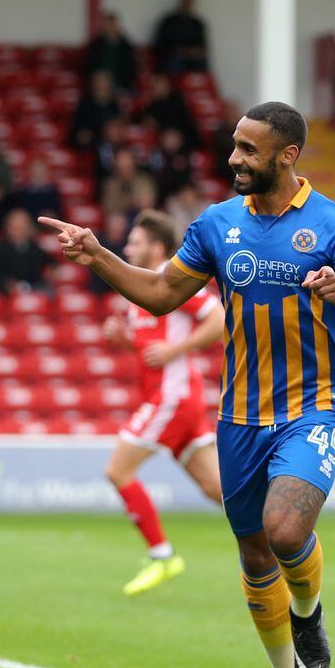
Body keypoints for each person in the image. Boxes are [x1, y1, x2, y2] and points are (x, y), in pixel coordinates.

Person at [40, 101, 335, 668]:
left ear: (287, 156)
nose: (234, 158)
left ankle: (310, 619)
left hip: (315, 405)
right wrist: (96, 255)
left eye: (249, 150)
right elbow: (159, 293)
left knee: (284, 530)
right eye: (234, 145)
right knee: (255, 554)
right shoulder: (216, 224)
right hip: (239, 414)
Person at [100, 210, 224, 595]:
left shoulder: (175, 276)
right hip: (174, 398)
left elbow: (219, 318)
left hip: (172, 398)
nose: (127, 248)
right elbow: (150, 346)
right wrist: (125, 340)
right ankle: (280, 529)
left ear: (156, 248)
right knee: (217, 489)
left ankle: (162, 555)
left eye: (135, 242)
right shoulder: (140, 289)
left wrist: (176, 349)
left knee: (118, 471)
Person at [0, 209, 53, 294]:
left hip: (34, 288)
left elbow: (49, 262)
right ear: (8, 227)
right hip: (7, 292)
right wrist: (7, 284)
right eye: (15, 227)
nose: (18, 230)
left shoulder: (34, 247)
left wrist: (51, 269)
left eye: (22, 227)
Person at [154, 0, 209, 73]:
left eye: (189, 3)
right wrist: (179, 51)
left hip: (193, 58)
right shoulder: (169, 21)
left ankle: (198, 85)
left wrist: (194, 51)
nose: (187, 5)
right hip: (173, 56)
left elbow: (203, 46)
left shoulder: (197, 23)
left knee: (202, 63)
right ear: (180, 3)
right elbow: (160, 44)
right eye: (185, 2)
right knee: (175, 62)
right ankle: (176, 85)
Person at [84, 12, 138, 92]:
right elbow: (90, 66)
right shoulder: (96, 45)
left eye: (112, 25)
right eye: (108, 25)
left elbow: (132, 68)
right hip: (100, 86)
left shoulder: (126, 46)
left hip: (121, 84)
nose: (110, 28)